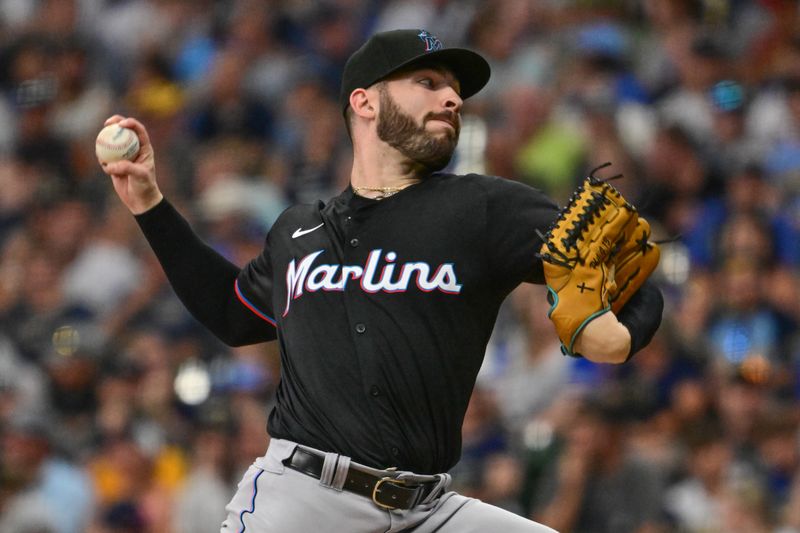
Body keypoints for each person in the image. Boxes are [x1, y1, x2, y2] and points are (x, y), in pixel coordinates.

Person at [99, 29, 663, 533]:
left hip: (430, 508)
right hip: (303, 503)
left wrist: (622, 335)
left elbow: (633, 270)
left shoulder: (486, 209)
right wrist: (150, 203)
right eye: (427, 82)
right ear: (364, 101)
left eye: (456, 91)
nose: (452, 98)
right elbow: (231, 312)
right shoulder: (300, 231)